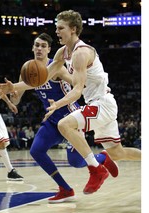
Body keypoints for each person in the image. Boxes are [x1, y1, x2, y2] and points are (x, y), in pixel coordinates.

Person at [0, 10, 141, 194]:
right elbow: (42, 78)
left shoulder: (81, 53)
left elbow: (77, 90)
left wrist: (58, 104)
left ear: (73, 29)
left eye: (60, 28)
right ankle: (109, 160)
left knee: (65, 125)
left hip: (101, 103)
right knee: (118, 153)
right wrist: (13, 87)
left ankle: (96, 170)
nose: (56, 31)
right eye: (56, 28)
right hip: (97, 103)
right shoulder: (62, 52)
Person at [9, 33, 118, 203]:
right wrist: (12, 93)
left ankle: (102, 158)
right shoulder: (28, 70)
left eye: (43, 46)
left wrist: (64, 95)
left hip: (69, 118)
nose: (39, 48)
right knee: (36, 150)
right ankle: (65, 189)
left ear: (49, 50)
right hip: (52, 120)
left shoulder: (57, 67)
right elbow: (16, 98)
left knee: (76, 162)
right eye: (36, 45)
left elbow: (77, 84)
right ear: (32, 47)